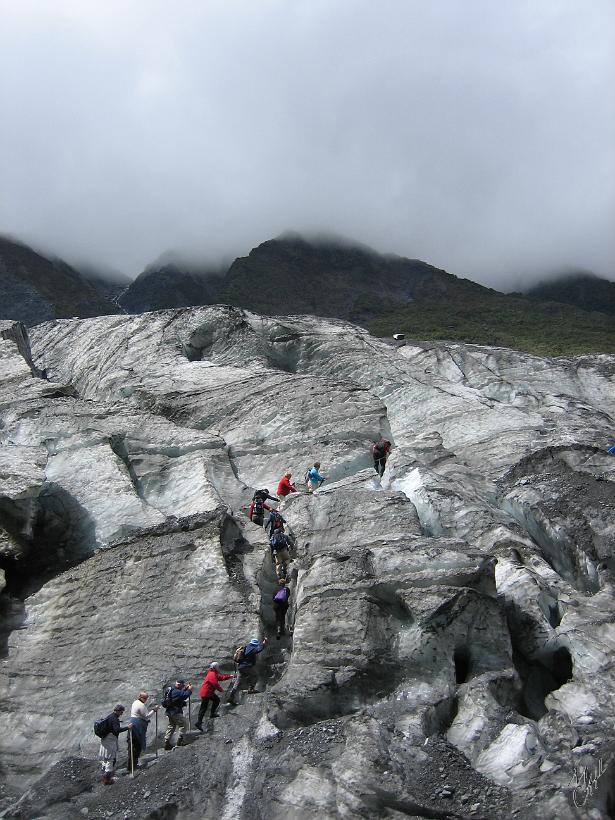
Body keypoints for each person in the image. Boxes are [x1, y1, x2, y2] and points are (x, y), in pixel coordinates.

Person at [227, 637, 268, 705]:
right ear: (255, 644)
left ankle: (231, 697)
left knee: (237, 682)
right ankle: (251, 689)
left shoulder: (246, 647)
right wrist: (264, 643)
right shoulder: (252, 648)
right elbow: (259, 649)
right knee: (255, 675)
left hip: (240, 667)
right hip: (246, 666)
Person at [127, 691, 159, 773]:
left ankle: (131, 766)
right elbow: (147, 716)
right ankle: (133, 766)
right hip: (137, 726)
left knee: (133, 746)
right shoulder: (141, 705)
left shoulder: (135, 702)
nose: (146, 699)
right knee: (137, 746)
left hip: (133, 723)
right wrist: (154, 710)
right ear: (141, 697)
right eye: (145, 698)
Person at [195, 663, 234, 729]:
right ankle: (199, 722)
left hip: (209, 692)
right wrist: (221, 690)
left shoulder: (213, 673)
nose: (218, 668)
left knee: (216, 700)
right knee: (204, 707)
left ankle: (212, 714)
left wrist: (230, 676)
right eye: (218, 667)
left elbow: (221, 677)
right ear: (215, 667)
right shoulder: (212, 674)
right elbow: (215, 683)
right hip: (206, 692)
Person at [99, 704, 129, 785]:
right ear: (118, 711)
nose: (122, 714)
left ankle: (104, 774)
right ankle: (107, 779)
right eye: (121, 712)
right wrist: (127, 727)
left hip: (105, 739)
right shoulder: (114, 719)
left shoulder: (109, 716)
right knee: (111, 758)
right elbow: (117, 730)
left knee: (106, 758)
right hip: (110, 740)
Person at [163, 679, 193, 750]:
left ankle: (167, 743)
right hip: (175, 712)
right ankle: (180, 741)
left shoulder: (172, 689)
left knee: (171, 726)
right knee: (184, 724)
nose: (183, 686)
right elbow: (184, 695)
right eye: (182, 685)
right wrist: (189, 690)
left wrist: (186, 688)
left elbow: (180, 694)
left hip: (169, 711)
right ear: (179, 684)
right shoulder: (177, 691)